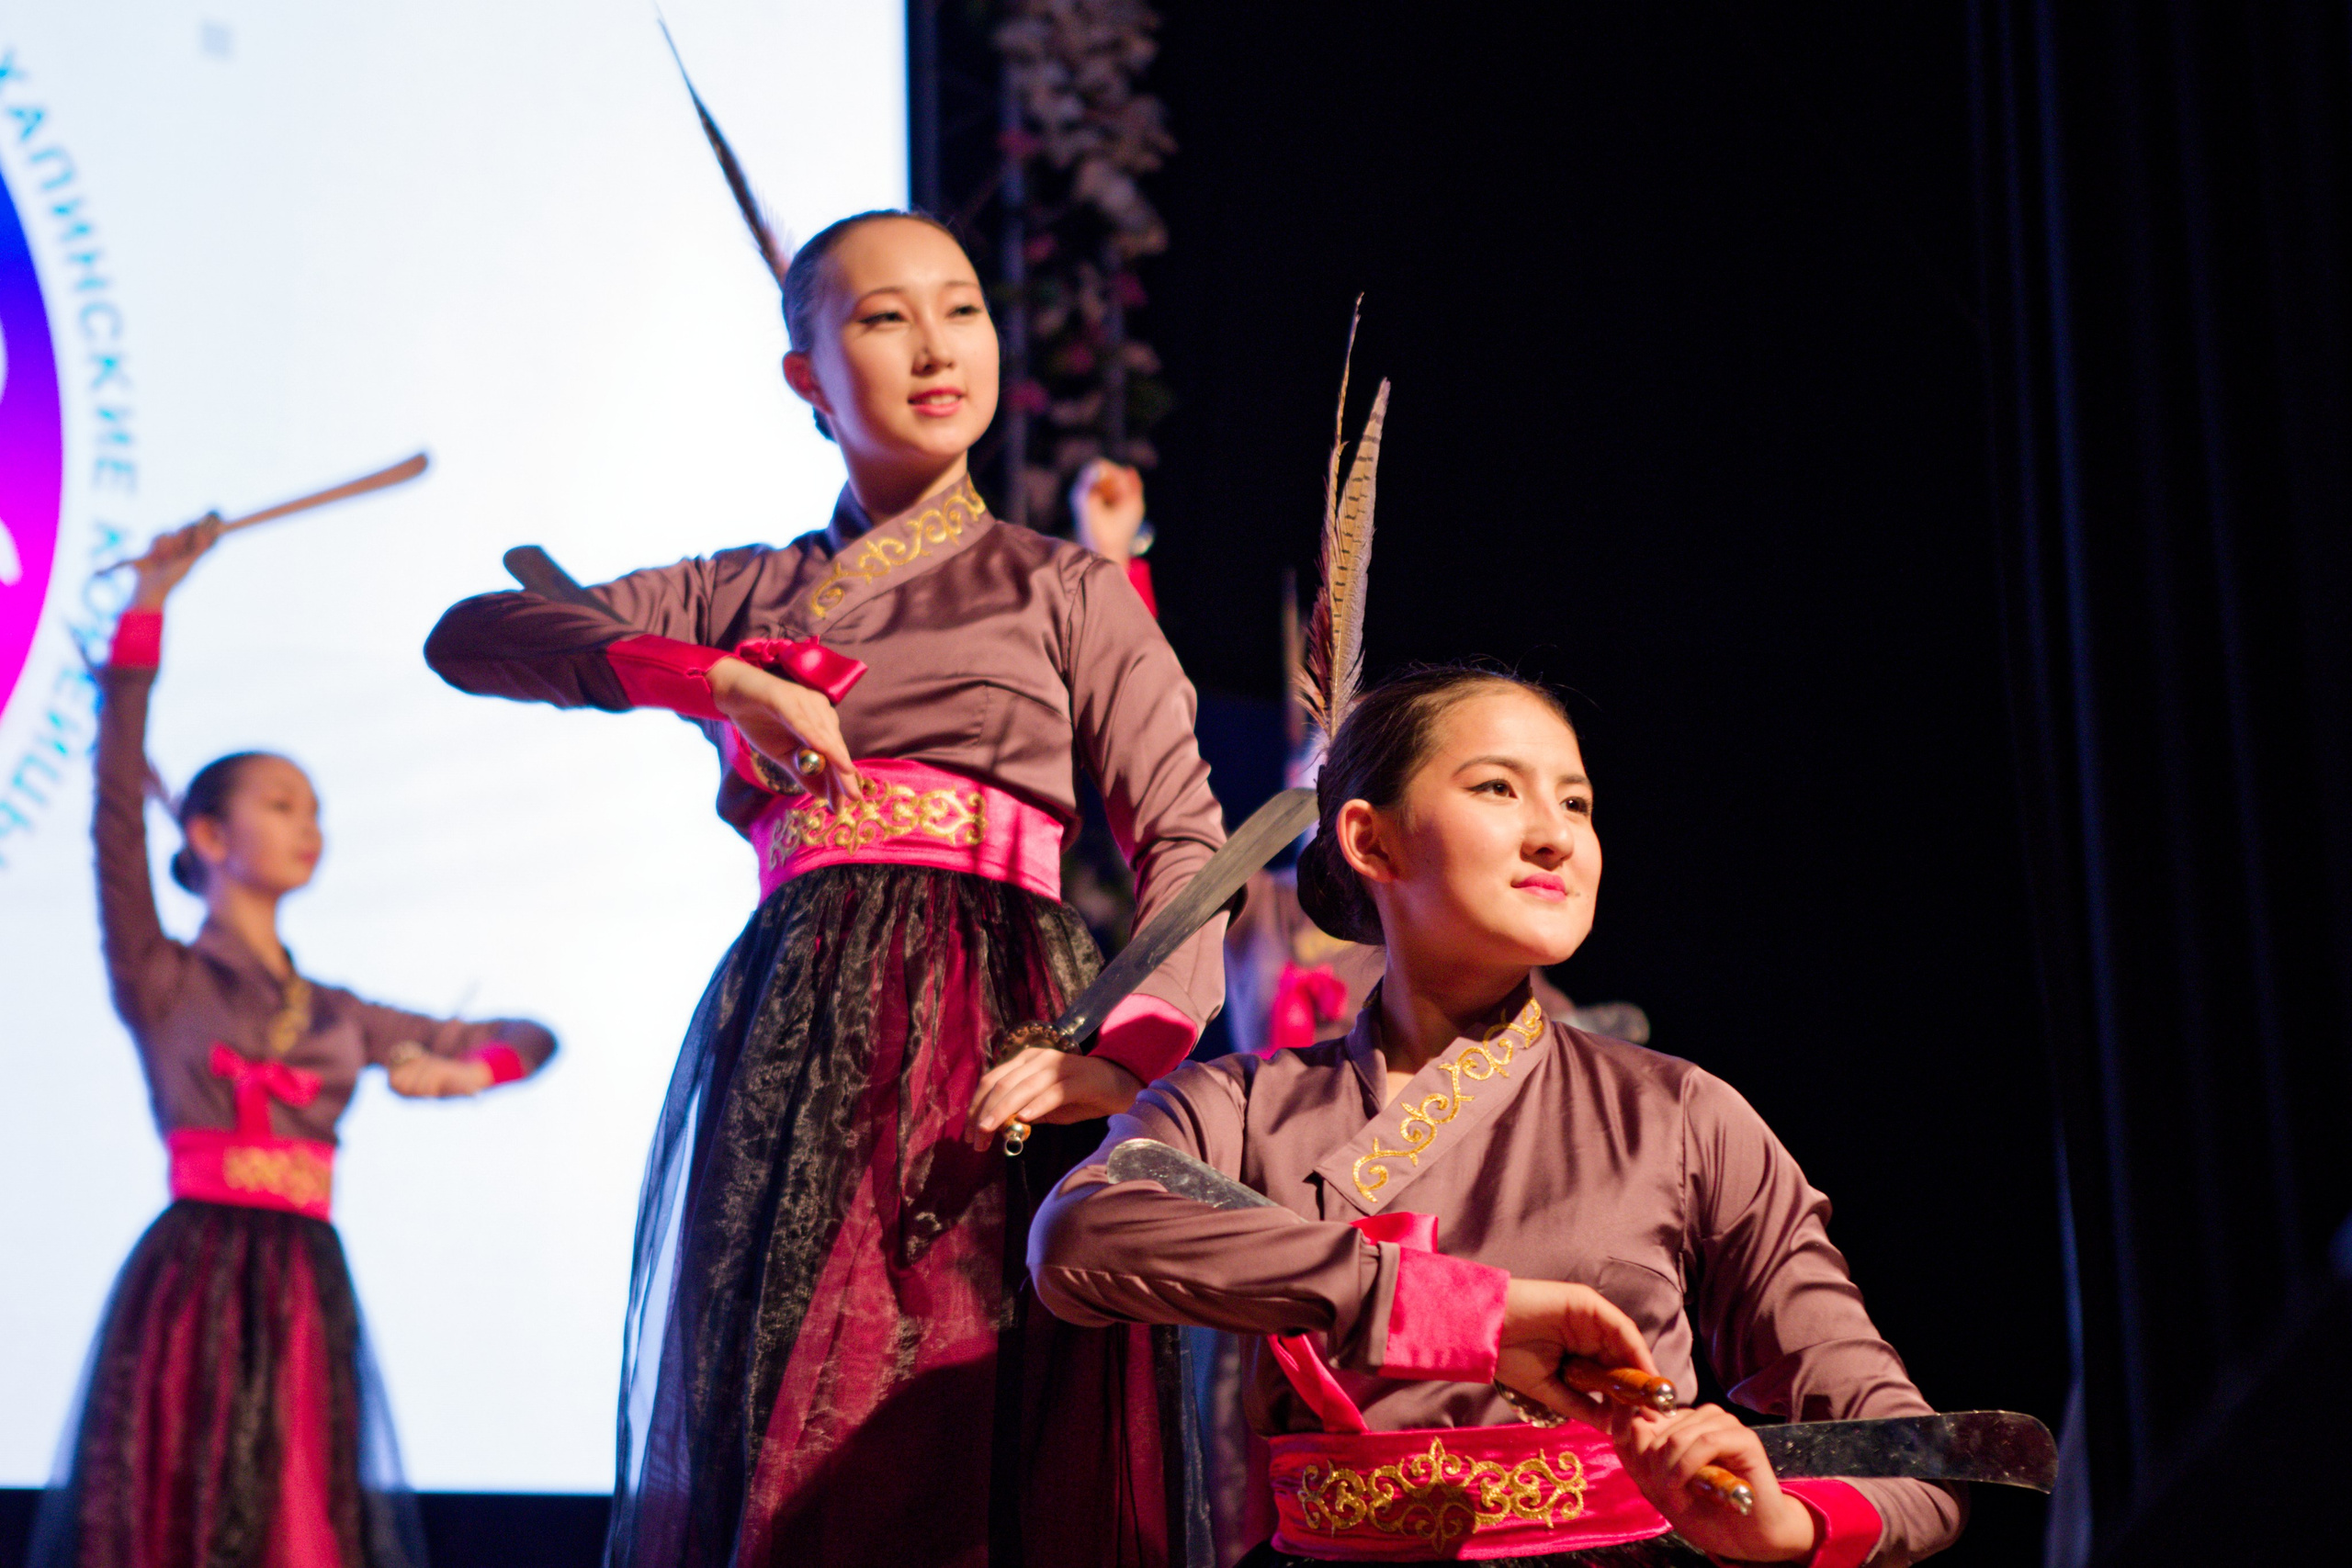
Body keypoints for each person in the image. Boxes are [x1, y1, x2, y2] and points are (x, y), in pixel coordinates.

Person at [424, 211, 1227, 1567]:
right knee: (799, 1415)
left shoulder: (1067, 589)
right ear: (803, 373)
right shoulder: (746, 590)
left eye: (961, 307)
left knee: (969, 1417)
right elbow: (472, 634)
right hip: (803, 1033)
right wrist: (710, 677)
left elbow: (1189, 845)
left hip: (1004, 1030)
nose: (934, 344)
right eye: (879, 316)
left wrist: (1129, 1057)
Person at [1033, 666, 1965, 1566]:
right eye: (1497, 788)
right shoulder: (1234, 1105)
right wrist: (1462, 1312)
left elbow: (1918, 1458)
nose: (1555, 836)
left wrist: (1786, 1526)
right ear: (1371, 843)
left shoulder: (1678, 1113)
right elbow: (1077, 1241)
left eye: (1576, 804)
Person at [33, 519, 558, 1568]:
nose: (308, 824)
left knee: (296, 1521)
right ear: (210, 837)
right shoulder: (162, 973)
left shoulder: (338, 1013)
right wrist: (149, 610)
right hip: (193, 1275)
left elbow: (534, 1036)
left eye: (314, 807)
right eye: (280, 805)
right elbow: (112, 810)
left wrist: (467, 1071)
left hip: (305, 1279)